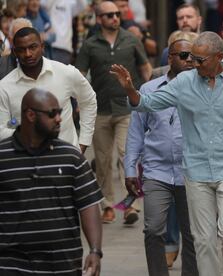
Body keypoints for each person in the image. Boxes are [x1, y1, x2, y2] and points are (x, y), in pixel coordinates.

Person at [111, 31, 223, 276]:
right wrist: (131, 89)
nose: (194, 64)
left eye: (200, 60)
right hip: (195, 172)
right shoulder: (185, 82)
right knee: (203, 239)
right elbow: (149, 102)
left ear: (219, 57)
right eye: (192, 58)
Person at [0, 88, 103, 276]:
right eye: (52, 113)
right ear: (30, 115)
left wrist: (95, 251)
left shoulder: (71, 157)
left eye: (60, 112)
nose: (59, 119)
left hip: (63, 265)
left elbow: (88, 205)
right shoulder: (2, 157)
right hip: (11, 265)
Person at [125, 35, 198, 276]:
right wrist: (129, 169)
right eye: (184, 56)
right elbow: (135, 133)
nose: (190, 61)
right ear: (170, 59)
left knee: (193, 233)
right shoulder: (148, 90)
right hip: (157, 171)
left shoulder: (204, 90)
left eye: (194, 57)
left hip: (193, 172)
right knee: (153, 229)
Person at [75, 1, 150, 224]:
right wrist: (79, 101)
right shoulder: (89, 45)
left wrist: (150, 98)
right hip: (100, 109)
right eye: (109, 15)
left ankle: (132, 205)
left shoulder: (131, 39)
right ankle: (107, 204)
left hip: (127, 108)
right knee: (103, 160)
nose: (115, 18)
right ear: (99, 19)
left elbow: (145, 68)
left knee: (127, 156)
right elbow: (80, 74)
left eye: (117, 14)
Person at [0, 27, 96, 151]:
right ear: (14, 52)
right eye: (22, 49)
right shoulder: (5, 87)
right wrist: (26, 133)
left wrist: (83, 142)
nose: (28, 54)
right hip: (26, 161)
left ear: (42, 47)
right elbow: (1, 129)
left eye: (33, 47)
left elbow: (89, 101)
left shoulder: (66, 73)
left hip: (66, 158)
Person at [40, 0, 88, 64]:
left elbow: (83, 5)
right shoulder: (46, 2)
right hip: (48, 46)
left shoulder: (70, 3)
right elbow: (44, 4)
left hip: (65, 47)